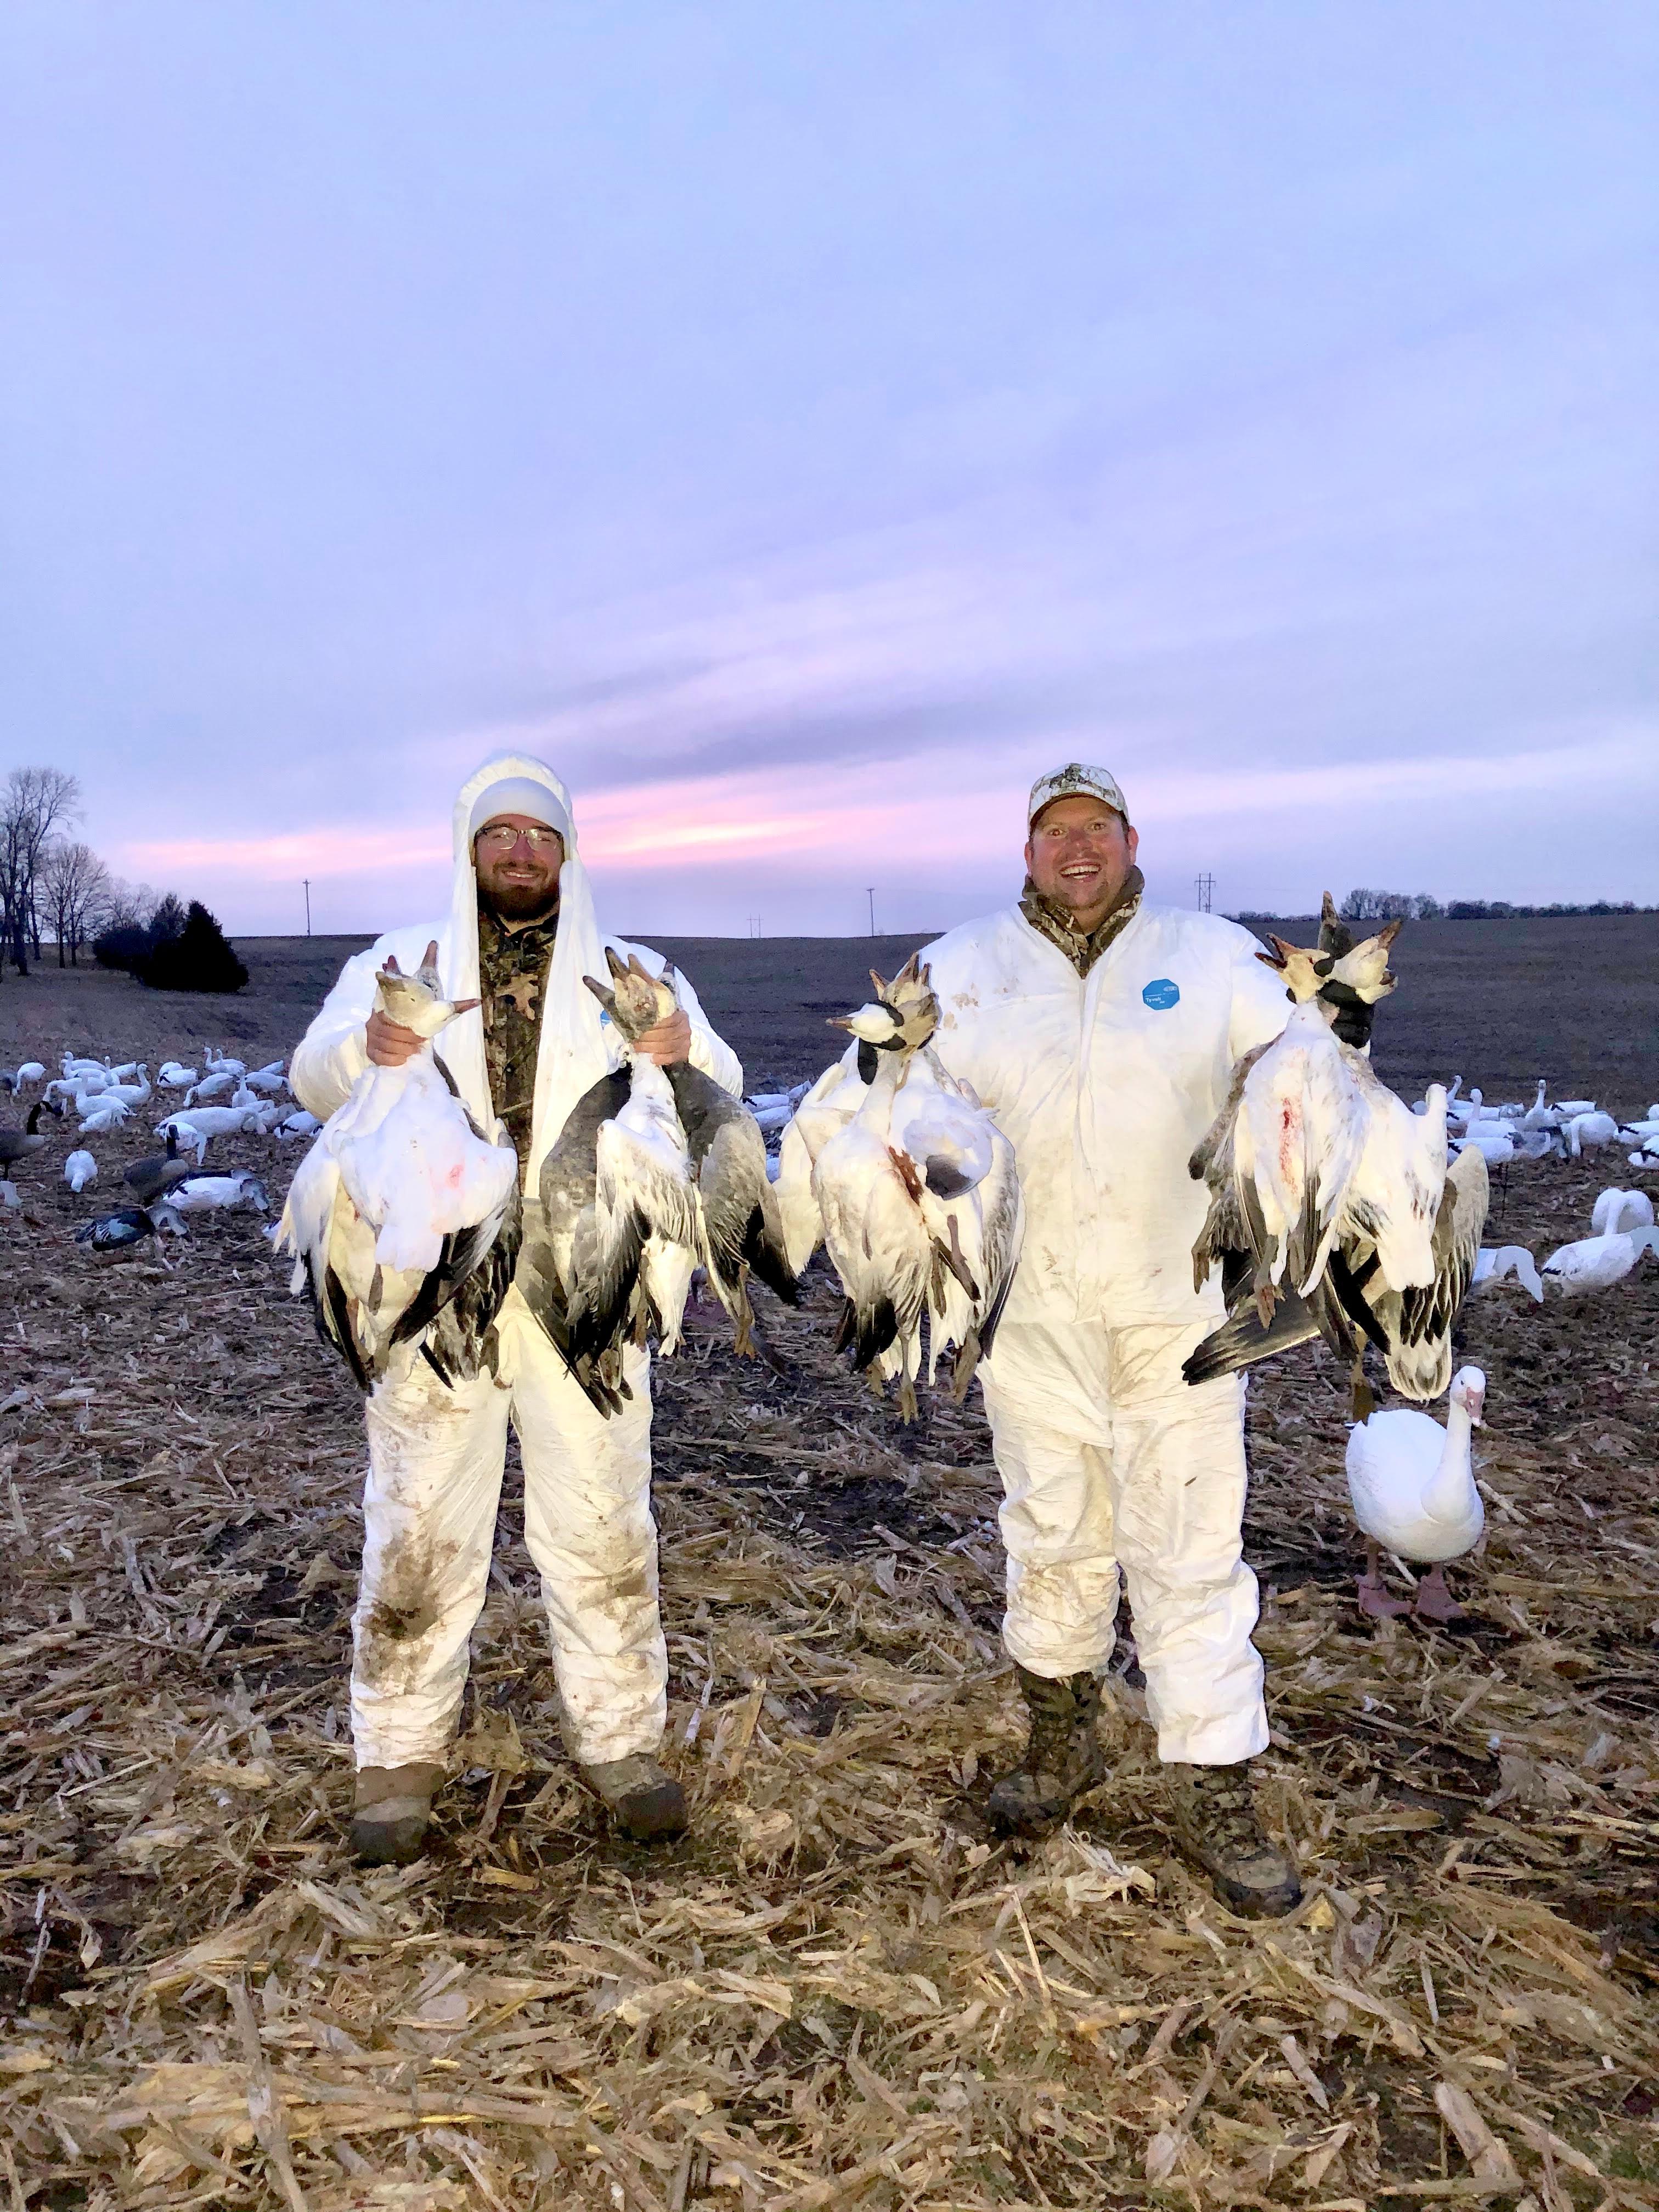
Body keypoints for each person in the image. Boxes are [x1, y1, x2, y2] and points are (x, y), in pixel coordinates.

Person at [911, 764, 1375, 1917]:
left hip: (1178, 1312)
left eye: (1098, 830)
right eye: (1055, 831)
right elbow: (900, 1103)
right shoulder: (962, 967)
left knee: (1188, 1549)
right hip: (1030, 1317)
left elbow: (1309, 1079)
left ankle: (1216, 1784)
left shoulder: (1213, 955)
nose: (1078, 849)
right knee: (1051, 1533)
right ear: (1026, 850)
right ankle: (1061, 1741)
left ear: (1130, 839)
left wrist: (1334, 1031)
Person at [291, 754, 742, 1864]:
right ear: (471, 847)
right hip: (437, 1285)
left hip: (588, 1285)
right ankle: (398, 1756)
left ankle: (623, 1743)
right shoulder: (406, 963)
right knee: (418, 1523)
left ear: (568, 851)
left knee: (600, 1522)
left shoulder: (638, 970)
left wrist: (680, 1050)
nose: (521, 853)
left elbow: (722, 1093)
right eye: (501, 835)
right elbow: (311, 1076)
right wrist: (370, 1049)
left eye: (540, 836)